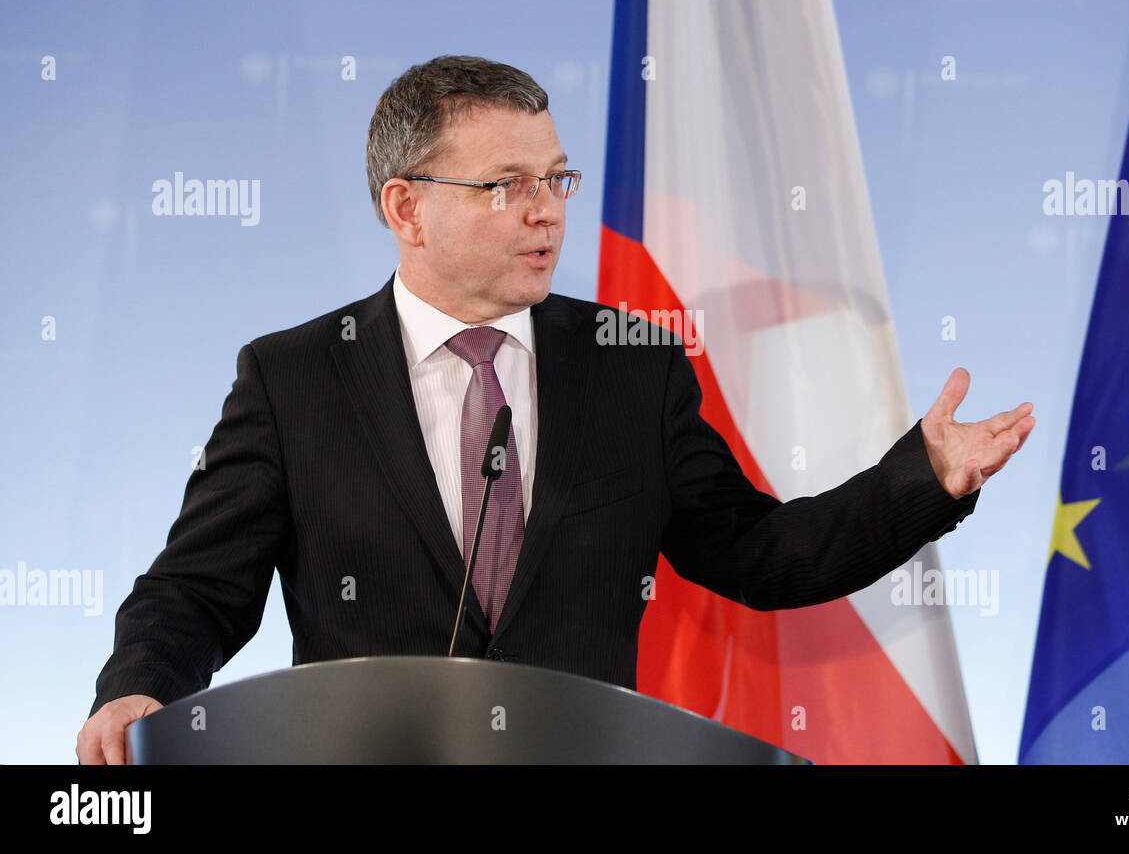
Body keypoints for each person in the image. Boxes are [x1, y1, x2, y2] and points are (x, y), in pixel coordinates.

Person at [76, 55, 1035, 764]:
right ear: (406, 209)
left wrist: (926, 476)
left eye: (556, 178)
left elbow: (760, 555)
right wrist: (135, 691)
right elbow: (197, 588)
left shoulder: (632, 367)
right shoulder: (293, 379)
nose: (548, 211)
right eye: (506, 185)